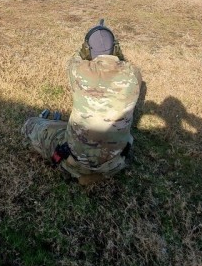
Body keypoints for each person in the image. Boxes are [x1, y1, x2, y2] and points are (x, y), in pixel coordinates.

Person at [22, 20, 144, 185]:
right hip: (115, 162)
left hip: (77, 161)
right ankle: (103, 172)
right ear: (116, 48)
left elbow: (76, 58)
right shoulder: (134, 75)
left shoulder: (77, 70)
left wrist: (85, 49)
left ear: (87, 50)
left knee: (31, 125)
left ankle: (78, 171)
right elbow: (122, 63)